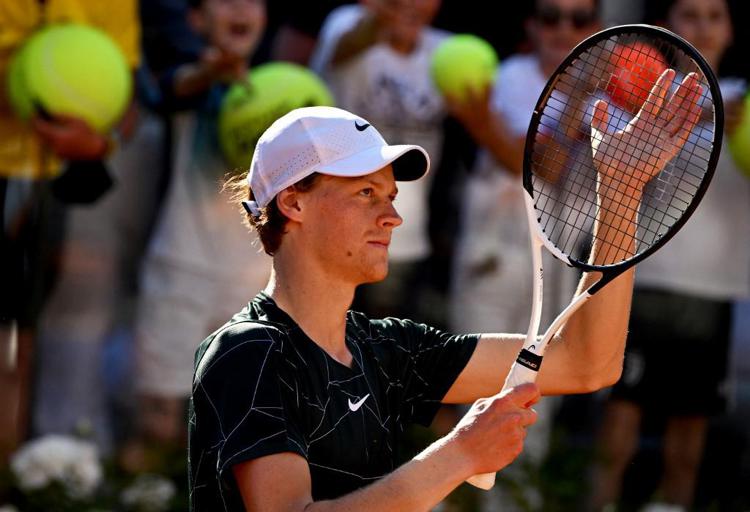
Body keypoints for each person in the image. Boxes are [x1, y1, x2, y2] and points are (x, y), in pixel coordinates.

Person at [189, 68, 704, 509]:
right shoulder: (247, 353)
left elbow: (588, 362)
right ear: (293, 204)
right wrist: (459, 454)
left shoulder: (387, 350)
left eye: (390, 195)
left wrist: (619, 188)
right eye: (365, 193)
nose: (392, 216)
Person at [588, 0, 750, 510]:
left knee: (688, 443)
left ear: (730, 30)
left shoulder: (746, 101)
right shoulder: (634, 99)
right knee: (619, 425)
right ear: (668, 29)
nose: (702, 26)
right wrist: (706, 112)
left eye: (714, 15)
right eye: (690, 14)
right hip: (644, 279)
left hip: (713, 289)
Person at [446, 1, 601, 508]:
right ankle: (444, 496)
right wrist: (578, 90)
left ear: (595, 27)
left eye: (578, 20)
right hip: (492, 256)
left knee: (540, 397)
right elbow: (543, 165)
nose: (564, 29)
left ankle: (516, 502)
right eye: (551, 17)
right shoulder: (508, 76)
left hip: (561, 266)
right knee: (466, 380)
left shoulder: (615, 95)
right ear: (531, 24)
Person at [125, 0, 272, 461]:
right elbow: (169, 89)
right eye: (225, 0)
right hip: (178, 267)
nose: (241, 9)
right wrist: (209, 73)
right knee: (157, 423)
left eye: (252, 0)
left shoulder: (288, 89)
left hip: (257, 281)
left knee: (245, 432)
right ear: (195, 19)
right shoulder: (187, 80)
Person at [0, 0, 140, 463]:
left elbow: (126, 103)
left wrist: (101, 142)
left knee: (18, 343)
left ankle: (8, 477)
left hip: (46, 183)